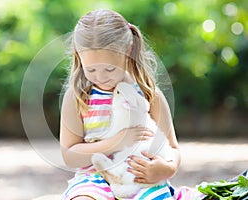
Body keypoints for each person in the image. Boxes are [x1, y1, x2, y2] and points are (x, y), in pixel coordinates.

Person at [60, 9, 198, 200]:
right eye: (90, 69)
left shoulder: (149, 94)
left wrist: (166, 168)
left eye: (109, 68)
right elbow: (69, 155)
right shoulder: (77, 97)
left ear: (128, 50)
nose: (100, 77)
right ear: (78, 55)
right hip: (93, 178)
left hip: (139, 176)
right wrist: (117, 141)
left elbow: (173, 147)